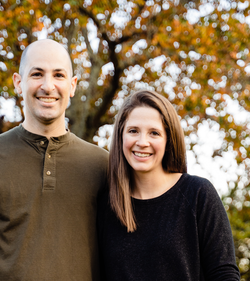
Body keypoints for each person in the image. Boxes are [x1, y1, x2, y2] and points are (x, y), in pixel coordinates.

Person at [0, 39, 109, 280]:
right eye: (37, 74)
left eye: (59, 75)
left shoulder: (102, 165)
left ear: (72, 86)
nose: (48, 85)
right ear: (18, 83)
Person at [97, 90, 240, 280]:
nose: (142, 142)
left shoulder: (197, 194)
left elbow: (224, 274)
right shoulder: (106, 205)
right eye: (133, 131)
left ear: (168, 140)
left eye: (154, 133)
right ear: (121, 135)